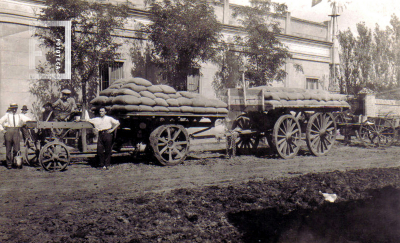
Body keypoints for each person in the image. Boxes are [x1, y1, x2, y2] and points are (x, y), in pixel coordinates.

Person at [0, 103, 31, 169]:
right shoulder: (7, 115)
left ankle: (16, 163)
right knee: (8, 149)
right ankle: (9, 164)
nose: (14, 110)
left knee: (17, 149)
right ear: (11, 108)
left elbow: (28, 119)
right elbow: (0, 122)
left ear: (17, 109)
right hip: (8, 132)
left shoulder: (19, 116)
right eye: (13, 108)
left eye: (15, 108)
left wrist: (32, 122)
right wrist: (2, 130)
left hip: (16, 132)